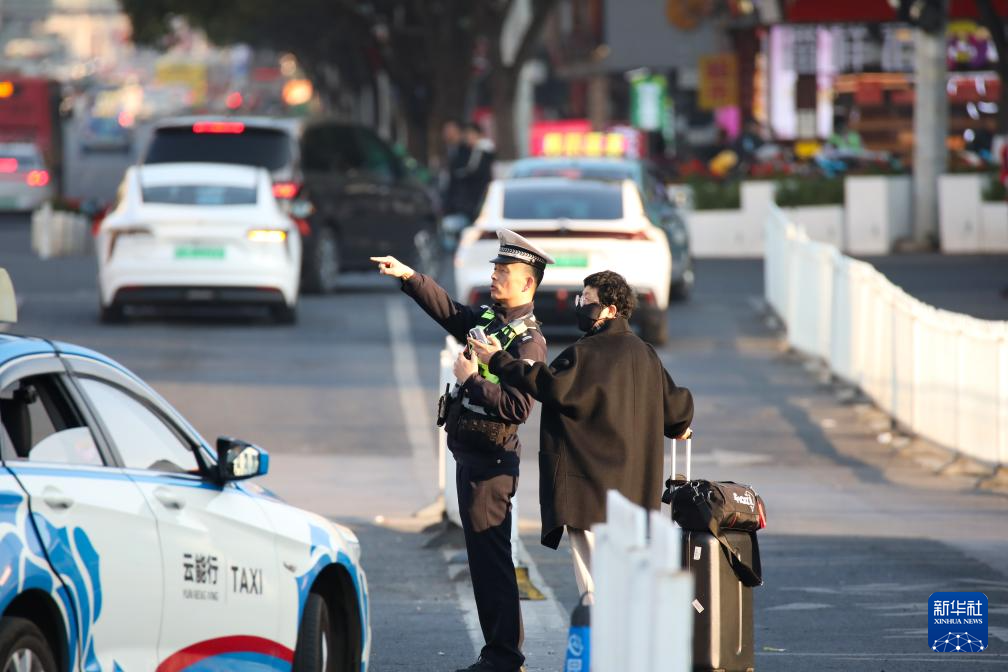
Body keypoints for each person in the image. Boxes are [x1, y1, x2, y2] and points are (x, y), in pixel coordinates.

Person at [370, 230, 555, 672]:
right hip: (472, 455)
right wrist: (410, 276)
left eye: (503, 271)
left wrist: (471, 379)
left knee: (492, 564)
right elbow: (451, 312)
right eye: (495, 269)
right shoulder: (490, 320)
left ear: (527, 283)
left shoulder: (527, 341)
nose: (494, 276)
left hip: (492, 464)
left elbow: (519, 407)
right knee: (484, 563)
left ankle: (504, 656)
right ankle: (499, 653)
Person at [468, 270, 694, 603]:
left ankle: (597, 636)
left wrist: (497, 359)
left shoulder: (586, 353)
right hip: (636, 498)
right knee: (627, 585)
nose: (580, 305)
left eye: (588, 300)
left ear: (611, 310)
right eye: (580, 298)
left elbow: (547, 384)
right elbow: (677, 409)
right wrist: (679, 427)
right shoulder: (646, 354)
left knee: (594, 587)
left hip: (589, 493)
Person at [454, 121, 496, 222]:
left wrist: (462, 174)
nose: (468, 137)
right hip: (472, 196)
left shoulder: (482, 150)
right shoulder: (466, 151)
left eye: (471, 134)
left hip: (481, 192)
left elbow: (474, 170)